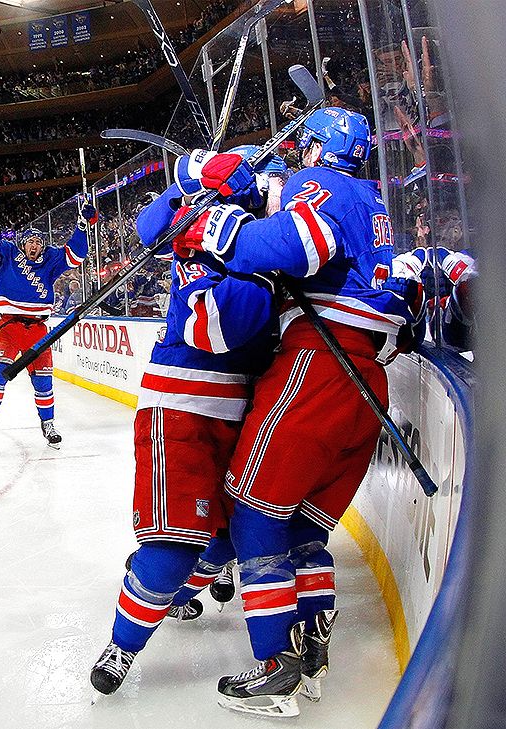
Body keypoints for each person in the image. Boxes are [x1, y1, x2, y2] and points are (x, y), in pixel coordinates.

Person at [170, 108, 421, 716]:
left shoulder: (329, 189)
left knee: (254, 514)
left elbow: (295, 243)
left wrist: (216, 225)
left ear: (315, 149)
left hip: (317, 367)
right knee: (305, 531)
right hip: (367, 382)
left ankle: (275, 667)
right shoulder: (376, 204)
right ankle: (312, 653)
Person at [90, 146, 287, 697]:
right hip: (182, 407)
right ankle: (122, 645)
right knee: (175, 547)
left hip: (238, 411)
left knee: (228, 539)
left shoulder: (244, 227)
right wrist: (268, 280)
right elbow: (212, 330)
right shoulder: (205, 233)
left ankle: (166, 590)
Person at [0, 194, 91, 449]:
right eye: (30, 242)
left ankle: (48, 424)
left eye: (38, 241)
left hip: (37, 328)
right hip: (9, 326)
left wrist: (81, 226)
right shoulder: (8, 253)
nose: (34, 245)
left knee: (43, 381)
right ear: (23, 244)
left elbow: (77, 255)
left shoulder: (50, 260)